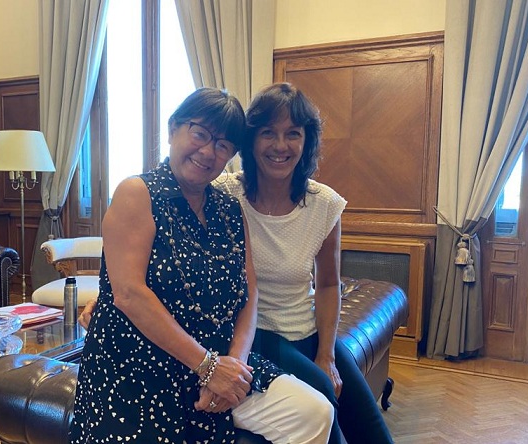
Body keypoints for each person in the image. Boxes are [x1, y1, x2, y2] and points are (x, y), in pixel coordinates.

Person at [69, 87, 334, 443]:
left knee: (314, 412)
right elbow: (129, 294)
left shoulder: (229, 209)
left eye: (223, 145)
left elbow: (250, 293)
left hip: (219, 358)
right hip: (141, 365)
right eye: (200, 134)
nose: (208, 151)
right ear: (173, 129)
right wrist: (207, 368)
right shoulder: (137, 193)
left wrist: (234, 368)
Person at [218, 82, 393, 444]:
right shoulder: (225, 194)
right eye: (268, 133)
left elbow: (327, 284)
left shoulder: (323, 203)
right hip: (256, 332)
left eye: (292, 134)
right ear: (251, 140)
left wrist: (326, 354)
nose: (280, 145)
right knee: (323, 396)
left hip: (306, 329)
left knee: (372, 429)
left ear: (306, 141)